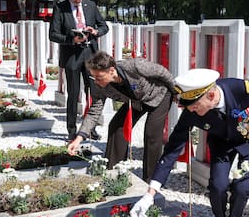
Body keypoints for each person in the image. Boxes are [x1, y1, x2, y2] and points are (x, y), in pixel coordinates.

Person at [130, 68, 249, 217]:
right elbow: (172, 150)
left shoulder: (243, 90)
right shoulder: (192, 112)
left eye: (194, 105)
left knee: (242, 188)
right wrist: (150, 194)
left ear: (210, 95)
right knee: (217, 186)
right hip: (221, 144)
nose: (191, 110)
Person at [67, 51, 176, 182]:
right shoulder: (99, 85)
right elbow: (94, 111)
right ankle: (113, 173)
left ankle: (151, 182)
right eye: (93, 77)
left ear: (111, 71)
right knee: (116, 127)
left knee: (151, 134)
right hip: (135, 101)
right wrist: (79, 139)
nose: (96, 81)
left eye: (99, 77)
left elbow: (163, 73)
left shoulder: (135, 66)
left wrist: (176, 92)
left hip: (159, 95)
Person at [49, 0, 109, 141]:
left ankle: (91, 128)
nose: (77, 1)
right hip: (71, 56)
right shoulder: (60, 8)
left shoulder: (91, 6)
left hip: (91, 55)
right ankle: (71, 130)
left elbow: (104, 26)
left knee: (94, 93)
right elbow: (53, 34)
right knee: (73, 94)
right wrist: (71, 39)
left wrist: (95, 31)